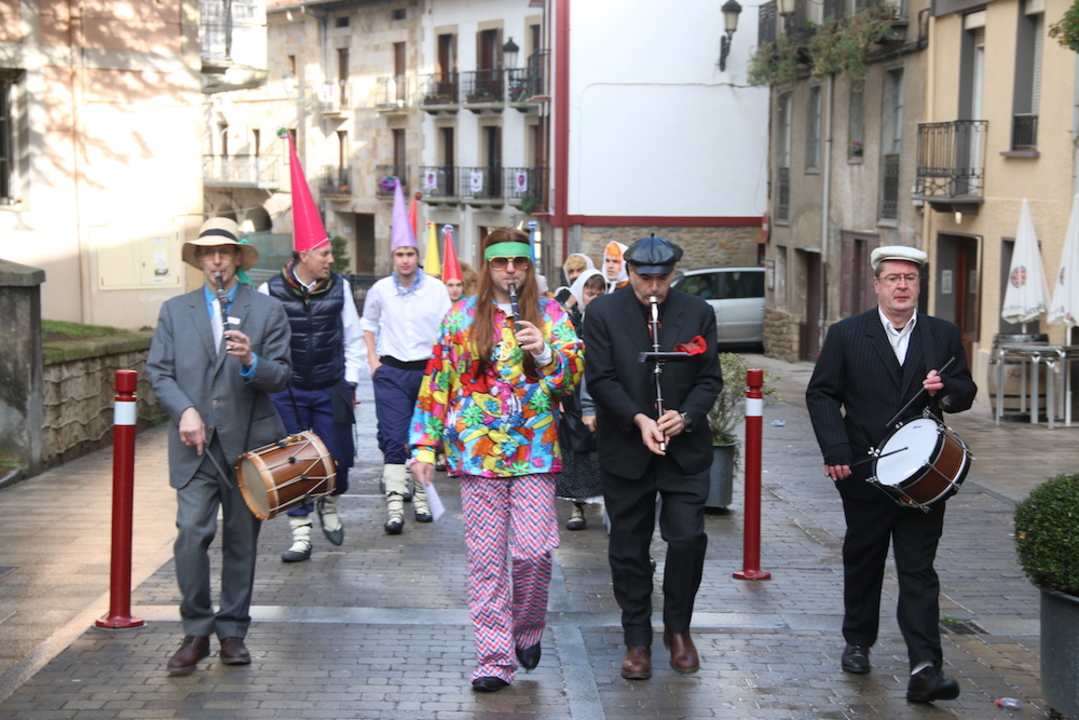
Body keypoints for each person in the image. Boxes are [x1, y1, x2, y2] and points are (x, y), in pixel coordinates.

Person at [409, 228, 584, 692]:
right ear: (488, 266)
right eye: (501, 262)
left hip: (534, 452)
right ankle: (493, 659)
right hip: (477, 456)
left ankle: (526, 628)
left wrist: (544, 352)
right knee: (486, 560)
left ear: (529, 266)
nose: (510, 270)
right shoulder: (461, 317)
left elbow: (571, 380)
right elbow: (436, 382)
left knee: (534, 551)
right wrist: (424, 446)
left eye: (519, 262)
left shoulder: (551, 314)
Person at [805, 245, 976, 704]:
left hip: (925, 475)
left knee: (918, 569)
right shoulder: (846, 333)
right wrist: (836, 448)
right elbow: (821, 394)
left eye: (910, 278)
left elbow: (965, 390)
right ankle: (858, 641)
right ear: (877, 285)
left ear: (919, 286)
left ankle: (925, 668)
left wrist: (948, 389)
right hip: (864, 470)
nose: (902, 286)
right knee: (864, 558)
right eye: (894, 278)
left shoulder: (942, 333)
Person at [147, 217, 292, 674]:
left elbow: (281, 375)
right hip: (194, 446)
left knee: (241, 542)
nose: (216, 261)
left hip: (248, 444)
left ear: (237, 259)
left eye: (224, 253)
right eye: (208, 253)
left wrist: (251, 360)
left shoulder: (267, 310)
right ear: (198, 260)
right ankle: (195, 631)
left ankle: (232, 633)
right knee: (192, 534)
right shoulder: (175, 310)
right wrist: (185, 412)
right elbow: (159, 372)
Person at [583, 235, 722, 681]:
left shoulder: (698, 312)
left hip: (684, 449)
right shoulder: (603, 312)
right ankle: (637, 639)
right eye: (645, 279)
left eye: (663, 278)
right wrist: (639, 419)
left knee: (687, 539)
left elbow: (709, 379)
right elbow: (601, 379)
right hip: (627, 446)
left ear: (674, 274)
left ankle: (678, 629)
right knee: (629, 546)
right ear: (629, 272)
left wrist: (687, 415)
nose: (655, 287)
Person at [259, 226, 363, 563]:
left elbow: (353, 337)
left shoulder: (340, 287)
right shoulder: (269, 290)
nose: (331, 260)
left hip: (331, 385)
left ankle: (329, 504)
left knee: (340, 457)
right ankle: (301, 535)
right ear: (304, 256)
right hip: (288, 390)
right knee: (293, 463)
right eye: (325, 254)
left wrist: (350, 382)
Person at [361, 188, 451, 534]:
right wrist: (373, 360)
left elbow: (448, 330)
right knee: (394, 436)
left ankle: (422, 498)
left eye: (410, 254)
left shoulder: (436, 289)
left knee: (425, 437)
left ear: (418, 256)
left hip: (427, 372)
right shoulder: (380, 289)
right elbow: (368, 324)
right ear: (393, 257)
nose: (405, 260)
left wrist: (444, 370)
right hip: (392, 371)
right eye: (399, 254)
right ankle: (396, 504)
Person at [557, 267, 606, 530]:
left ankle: (608, 506)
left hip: (602, 390)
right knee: (575, 449)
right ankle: (577, 506)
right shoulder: (569, 322)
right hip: (574, 393)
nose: (594, 299)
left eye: (600, 294)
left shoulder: (610, 320)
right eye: (590, 293)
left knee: (602, 449)